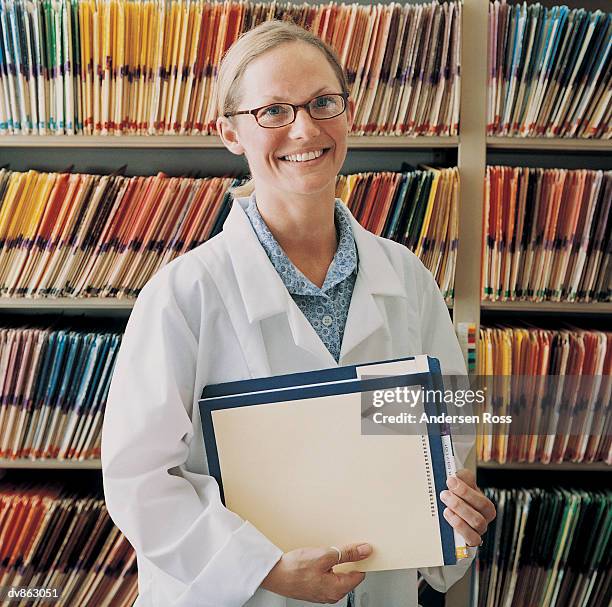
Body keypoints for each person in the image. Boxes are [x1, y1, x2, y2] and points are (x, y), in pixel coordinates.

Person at [101, 20, 496, 607]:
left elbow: (448, 441)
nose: (305, 129)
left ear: (349, 112)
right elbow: (139, 482)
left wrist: (457, 517)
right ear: (230, 132)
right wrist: (262, 568)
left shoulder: (408, 278)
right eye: (273, 112)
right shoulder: (184, 293)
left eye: (322, 103)